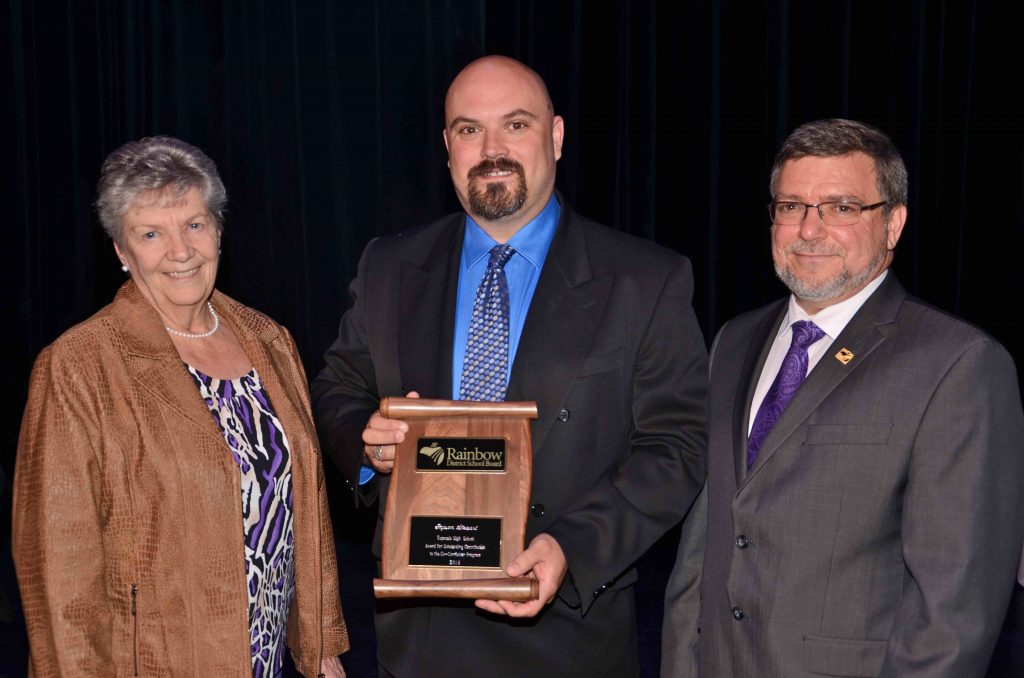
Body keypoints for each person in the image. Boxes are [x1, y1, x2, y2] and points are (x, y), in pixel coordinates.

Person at [312, 55, 707, 677]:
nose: (491, 149)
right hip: (418, 646)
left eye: (515, 125)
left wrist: (571, 549)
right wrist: (365, 443)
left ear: (554, 136)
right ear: (447, 147)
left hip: (566, 641)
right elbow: (339, 386)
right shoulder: (388, 266)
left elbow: (678, 443)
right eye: (469, 130)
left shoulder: (646, 279)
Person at [662, 118, 1024, 677]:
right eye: (791, 206)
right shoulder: (734, 342)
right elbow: (701, 548)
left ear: (894, 224)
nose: (809, 229)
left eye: (841, 208)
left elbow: (952, 613)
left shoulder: (958, 363)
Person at [13, 136, 349, 677]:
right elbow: (60, 577)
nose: (180, 250)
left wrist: (320, 646)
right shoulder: (77, 366)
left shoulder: (270, 341)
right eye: (151, 233)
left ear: (218, 230)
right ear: (121, 252)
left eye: (194, 224)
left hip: (267, 661)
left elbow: (302, 512)